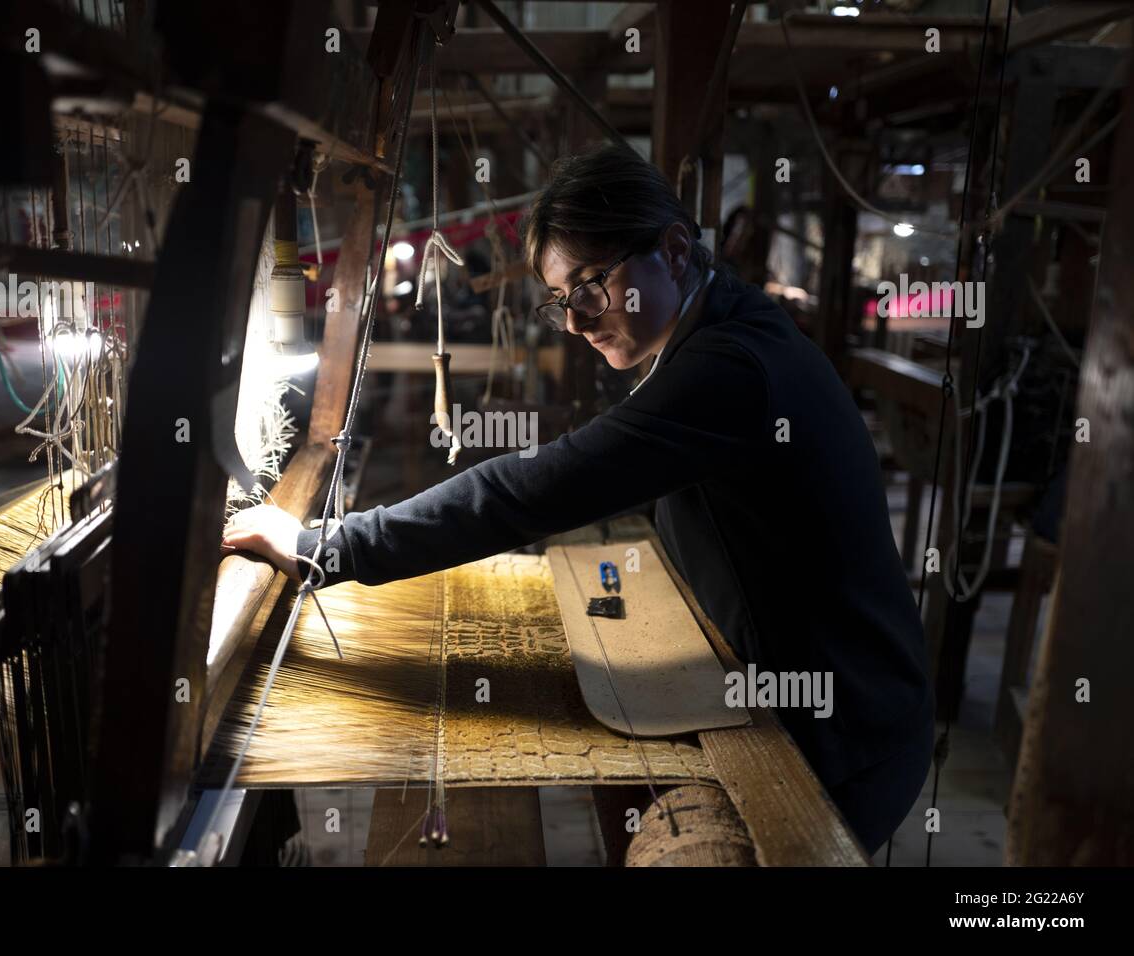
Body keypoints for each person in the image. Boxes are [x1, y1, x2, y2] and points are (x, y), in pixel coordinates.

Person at [222, 144, 934, 858]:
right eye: (562, 299)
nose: (575, 322)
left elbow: (532, 490)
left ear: (675, 249)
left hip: (841, 733)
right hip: (818, 697)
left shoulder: (731, 368)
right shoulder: (718, 332)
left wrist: (327, 546)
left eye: (590, 286)